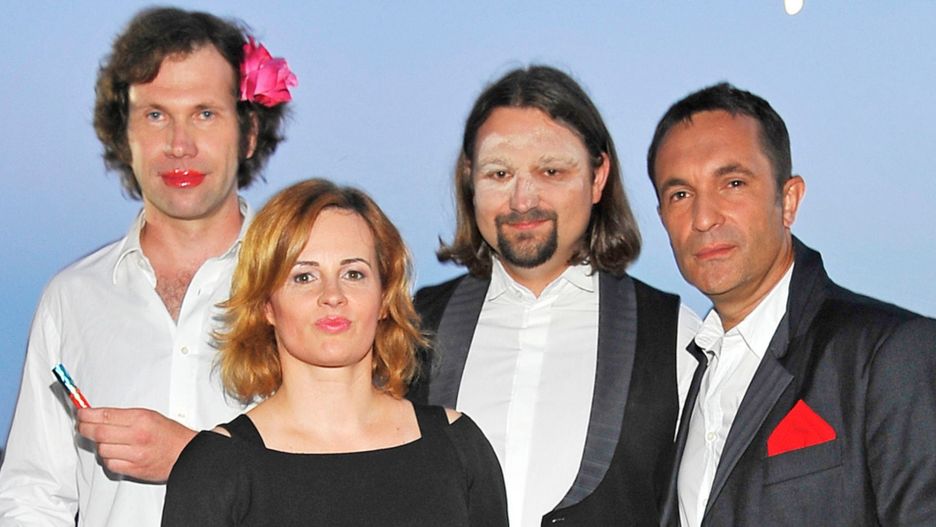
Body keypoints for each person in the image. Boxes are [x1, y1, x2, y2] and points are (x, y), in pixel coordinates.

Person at [0, 7, 294, 526]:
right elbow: (33, 496)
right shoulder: (72, 298)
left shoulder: (303, 286)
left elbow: (352, 472)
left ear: (249, 133)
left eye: (205, 113)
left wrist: (197, 459)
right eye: (156, 115)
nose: (179, 144)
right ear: (124, 136)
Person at [409, 65, 701, 526]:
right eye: (499, 172)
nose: (523, 199)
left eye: (551, 171)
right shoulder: (412, 327)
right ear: (470, 179)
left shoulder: (676, 335)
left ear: (598, 177)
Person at [648, 82, 936, 526]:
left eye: (733, 183)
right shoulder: (683, 377)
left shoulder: (889, 353)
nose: (703, 218)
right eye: (680, 195)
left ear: (788, 200)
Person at [160, 178, 508, 526]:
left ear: (384, 298)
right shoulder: (215, 467)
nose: (332, 296)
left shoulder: (457, 446)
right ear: (266, 304)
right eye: (304, 277)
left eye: (353, 274)